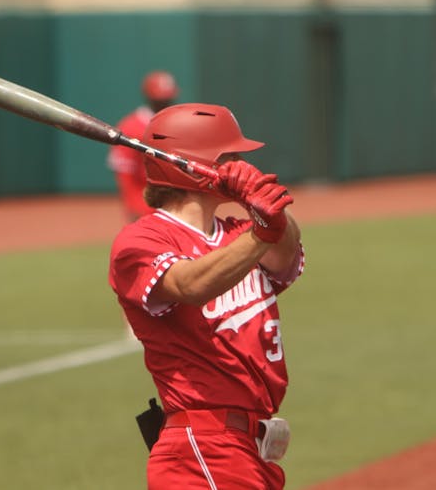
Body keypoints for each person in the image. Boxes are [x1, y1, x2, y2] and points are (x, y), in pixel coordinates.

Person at [108, 103, 304, 489]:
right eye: (228, 157)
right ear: (191, 165)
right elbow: (190, 286)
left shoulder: (236, 233)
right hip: (203, 447)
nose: (239, 166)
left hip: (247, 449)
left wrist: (263, 207)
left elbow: (285, 255)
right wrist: (262, 230)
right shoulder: (140, 241)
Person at [108, 70, 179, 222]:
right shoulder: (131, 126)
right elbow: (124, 171)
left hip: (176, 204)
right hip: (145, 201)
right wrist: (134, 206)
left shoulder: (178, 123)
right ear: (149, 97)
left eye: (167, 99)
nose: (164, 103)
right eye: (159, 100)